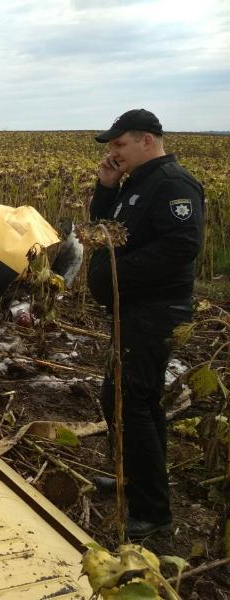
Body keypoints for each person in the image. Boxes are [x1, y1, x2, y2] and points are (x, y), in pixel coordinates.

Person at [87, 109, 204, 539]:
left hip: (155, 311)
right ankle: (132, 480)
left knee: (129, 400)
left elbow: (182, 245)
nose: (114, 153)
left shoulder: (173, 184)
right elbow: (103, 228)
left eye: (119, 145)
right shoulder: (137, 182)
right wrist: (106, 185)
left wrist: (119, 273)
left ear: (147, 141)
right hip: (133, 309)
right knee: (134, 398)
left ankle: (152, 510)